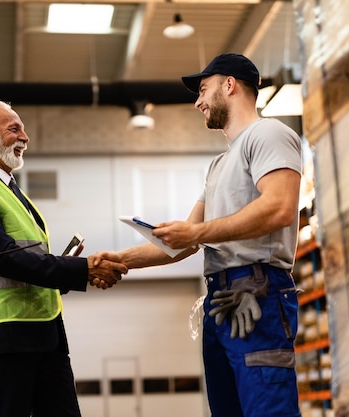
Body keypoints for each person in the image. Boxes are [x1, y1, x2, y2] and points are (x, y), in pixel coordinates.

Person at [96, 53, 302, 417]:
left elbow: (279, 207)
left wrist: (197, 231)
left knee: (267, 410)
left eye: (203, 89)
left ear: (230, 85)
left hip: (258, 295)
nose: (198, 101)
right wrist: (118, 260)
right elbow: (186, 243)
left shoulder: (269, 134)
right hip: (222, 300)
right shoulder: (220, 164)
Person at [0, 98, 128, 417]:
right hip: (5, 336)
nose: (25, 138)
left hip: (47, 335)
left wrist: (74, 271)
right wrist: (81, 269)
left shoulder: (16, 194)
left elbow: (29, 265)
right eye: (14, 129)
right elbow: (2, 258)